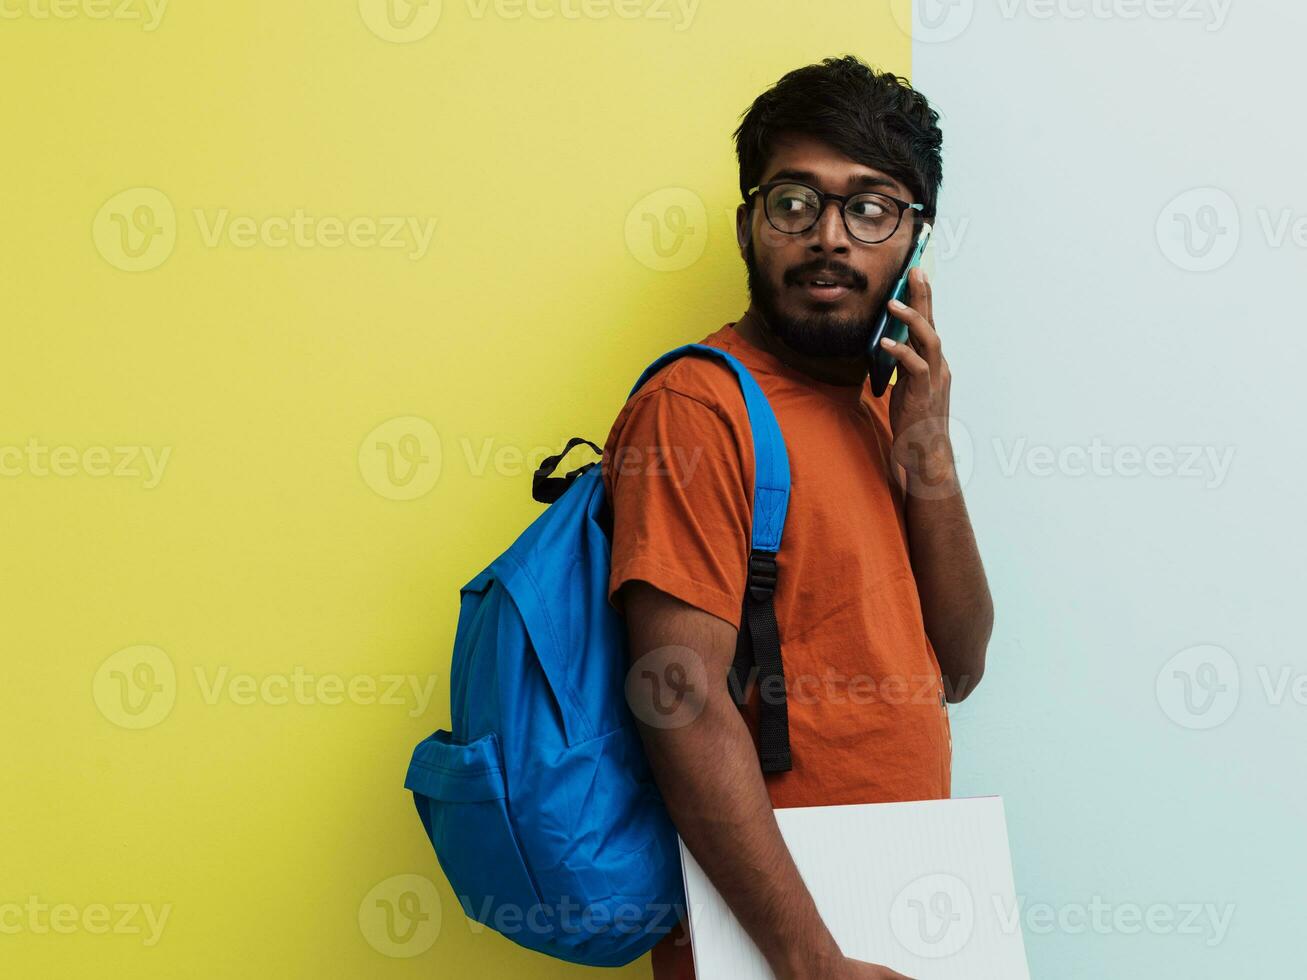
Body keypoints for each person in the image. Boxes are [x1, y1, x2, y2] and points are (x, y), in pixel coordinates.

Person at [601, 55, 993, 980]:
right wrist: (809, 962)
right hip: (780, 942)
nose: (829, 237)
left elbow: (963, 663)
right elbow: (678, 695)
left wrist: (927, 450)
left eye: (870, 207)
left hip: (902, 898)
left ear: (914, 243)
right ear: (747, 225)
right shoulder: (699, 408)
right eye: (793, 203)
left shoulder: (874, 408)